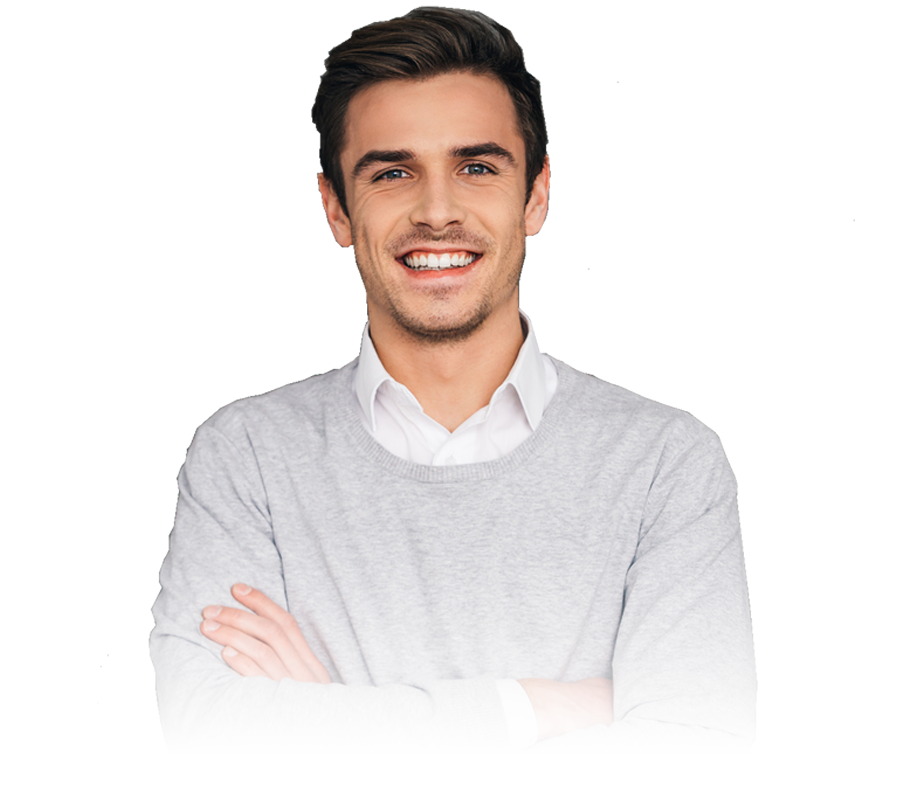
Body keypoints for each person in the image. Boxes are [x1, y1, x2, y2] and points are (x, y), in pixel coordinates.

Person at [150, 8, 756, 755]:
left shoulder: (664, 462)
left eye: (477, 168)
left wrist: (331, 725)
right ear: (336, 210)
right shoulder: (247, 458)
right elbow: (214, 736)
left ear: (536, 197)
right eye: (392, 173)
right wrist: (533, 707)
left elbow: (697, 750)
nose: (437, 212)